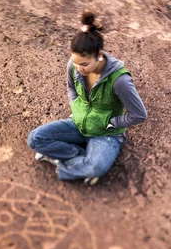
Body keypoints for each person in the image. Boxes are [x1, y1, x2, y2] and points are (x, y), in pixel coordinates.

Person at [27, 11, 147, 186]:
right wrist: (75, 105)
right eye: (76, 63)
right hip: (78, 123)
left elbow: (139, 114)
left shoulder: (120, 80)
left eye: (84, 64)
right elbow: (71, 87)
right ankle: (80, 158)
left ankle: (66, 162)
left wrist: (112, 123)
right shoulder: (74, 65)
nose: (79, 68)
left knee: (95, 168)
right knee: (35, 139)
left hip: (105, 134)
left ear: (99, 54)